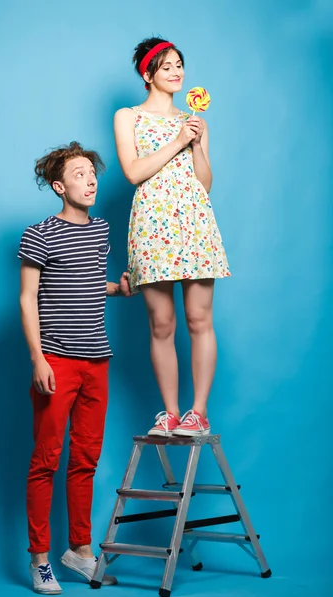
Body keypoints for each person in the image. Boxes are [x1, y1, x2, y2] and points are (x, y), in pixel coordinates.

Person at [18, 142, 130, 594]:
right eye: (81, 174)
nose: (91, 180)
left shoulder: (101, 229)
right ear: (61, 186)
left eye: (92, 173)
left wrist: (118, 290)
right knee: (46, 460)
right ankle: (40, 559)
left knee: (85, 459)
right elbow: (28, 297)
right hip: (56, 361)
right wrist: (37, 358)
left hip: (97, 361)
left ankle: (80, 550)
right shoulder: (39, 234)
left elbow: (85, 284)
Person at [114, 37, 230, 438]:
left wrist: (196, 143)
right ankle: (171, 413)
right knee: (161, 323)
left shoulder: (195, 120)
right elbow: (132, 172)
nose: (177, 71)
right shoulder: (127, 116)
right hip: (152, 223)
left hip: (195, 222)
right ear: (147, 75)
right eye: (166, 66)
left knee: (199, 319)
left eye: (179, 64)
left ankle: (198, 412)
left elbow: (205, 183)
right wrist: (178, 141)